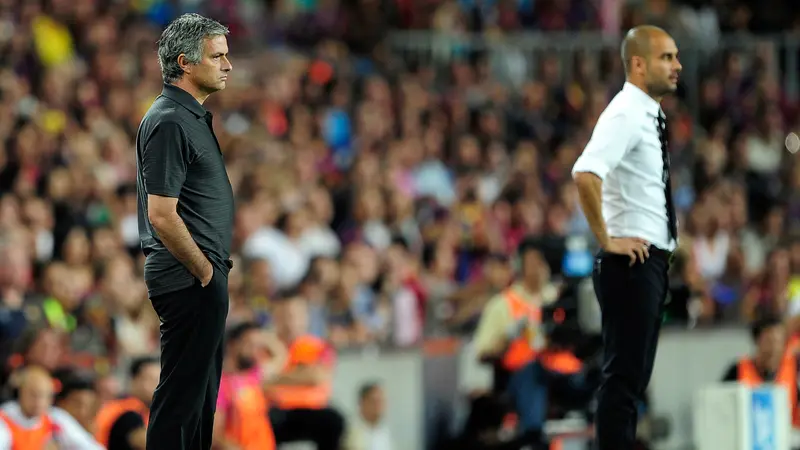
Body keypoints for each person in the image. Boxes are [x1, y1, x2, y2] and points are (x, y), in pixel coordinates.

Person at [571, 25, 682, 450]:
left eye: (674, 56)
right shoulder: (626, 112)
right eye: (666, 58)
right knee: (622, 384)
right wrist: (608, 239)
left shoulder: (645, 113)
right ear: (638, 64)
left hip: (646, 262)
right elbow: (585, 173)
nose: (677, 66)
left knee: (630, 384)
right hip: (631, 263)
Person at [135, 13, 235, 450]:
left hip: (199, 276)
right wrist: (204, 270)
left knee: (200, 401)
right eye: (217, 56)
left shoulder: (187, 116)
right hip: (189, 277)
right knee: (182, 400)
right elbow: (161, 214)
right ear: (186, 63)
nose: (228, 65)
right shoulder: (171, 120)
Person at [267, 295, 345, 450]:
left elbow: (317, 376)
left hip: (312, 411)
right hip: (275, 411)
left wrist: (276, 377)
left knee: (334, 421)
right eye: (284, 315)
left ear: (306, 318)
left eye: (295, 315)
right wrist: (300, 374)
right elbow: (259, 380)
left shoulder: (319, 347)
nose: (290, 321)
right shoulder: (266, 346)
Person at [214, 322, 286, 450]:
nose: (255, 351)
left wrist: (263, 336)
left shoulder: (255, 374)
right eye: (249, 344)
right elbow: (215, 436)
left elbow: (281, 356)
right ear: (232, 345)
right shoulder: (220, 385)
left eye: (257, 346)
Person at [722, 316, 800, 428]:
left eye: (779, 342)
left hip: (788, 439)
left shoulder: (794, 370)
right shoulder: (738, 371)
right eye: (769, 341)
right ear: (756, 341)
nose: (774, 348)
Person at [0, 366, 104, 449]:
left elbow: (87, 445)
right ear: (20, 393)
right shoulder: (5, 418)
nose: (38, 402)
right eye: (33, 395)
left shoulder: (55, 418)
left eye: (45, 396)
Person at [95, 356, 160, 450]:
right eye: (152, 379)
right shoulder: (127, 413)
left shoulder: (144, 410)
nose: (157, 385)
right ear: (134, 380)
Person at [343, 382, 395, 450]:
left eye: (382, 401)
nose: (379, 406)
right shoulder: (348, 431)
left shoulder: (384, 432)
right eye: (375, 401)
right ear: (362, 403)